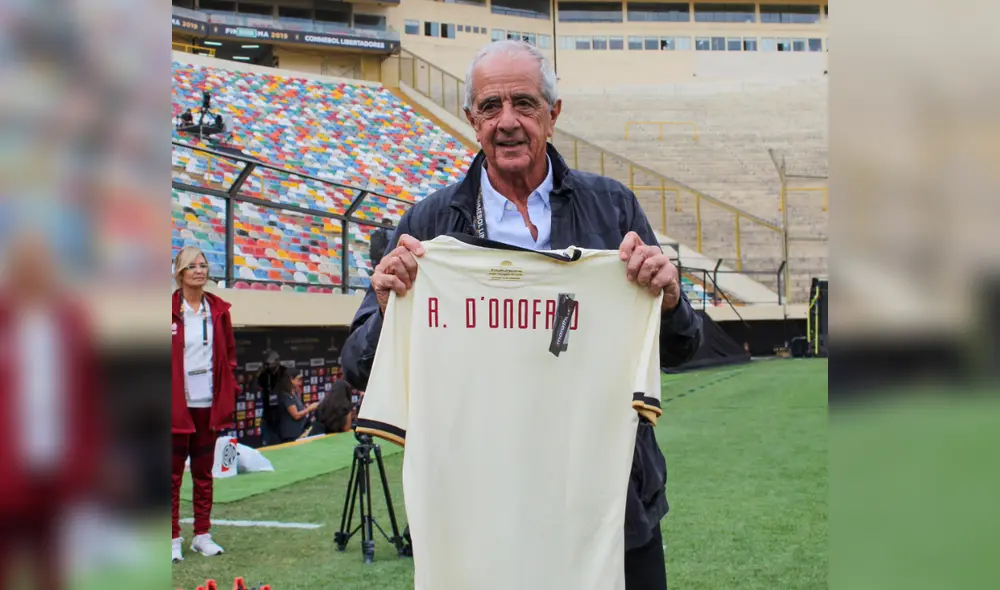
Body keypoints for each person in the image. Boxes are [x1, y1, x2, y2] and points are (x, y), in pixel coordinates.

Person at [340, 40, 703, 590]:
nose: (507, 121)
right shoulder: (429, 224)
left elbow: (681, 347)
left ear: (553, 115)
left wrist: (669, 299)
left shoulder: (613, 208)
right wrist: (390, 308)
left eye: (524, 103)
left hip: (608, 501)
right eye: (490, 107)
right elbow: (358, 365)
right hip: (484, 509)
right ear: (471, 120)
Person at [171, 245, 237, 563]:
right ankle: (171, 538)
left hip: (206, 403)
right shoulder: (167, 309)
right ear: (180, 273)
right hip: (174, 406)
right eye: (192, 266)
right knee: (169, 476)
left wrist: (227, 388)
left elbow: (230, 357)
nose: (199, 270)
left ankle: (202, 535)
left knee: (203, 474)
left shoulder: (219, 310)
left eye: (203, 265)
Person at [277, 368, 318, 442]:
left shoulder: (294, 392)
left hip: (299, 432)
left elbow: (300, 409)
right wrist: (309, 408)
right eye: (298, 379)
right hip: (290, 435)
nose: (301, 382)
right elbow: (296, 415)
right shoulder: (285, 395)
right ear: (290, 379)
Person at [257, 350, 286, 446]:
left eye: (270, 363)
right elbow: (252, 388)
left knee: (282, 440)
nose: (269, 366)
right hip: (268, 411)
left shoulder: (284, 371)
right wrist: (259, 371)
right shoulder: (265, 373)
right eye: (267, 363)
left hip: (282, 411)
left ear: (277, 361)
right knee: (266, 439)